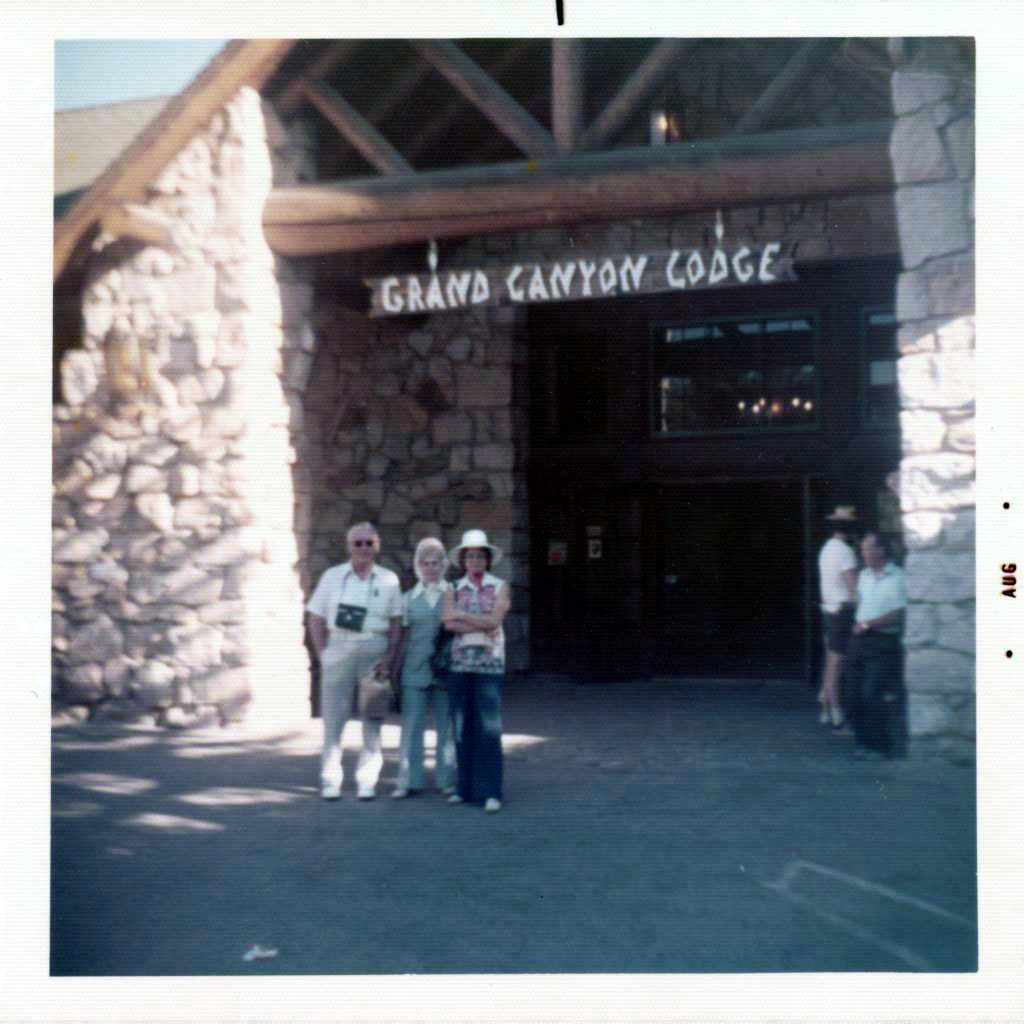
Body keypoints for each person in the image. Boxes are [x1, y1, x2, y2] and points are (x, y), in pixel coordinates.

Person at [305, 522, 403, 800]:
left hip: (375, 651)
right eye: (357, 543)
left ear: (377, 546)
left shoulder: (388, 580)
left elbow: (397, 622)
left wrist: (390, 658)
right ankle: (330, 780)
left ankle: (367, 780)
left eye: (368, 543)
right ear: (348, 546)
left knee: (372, 719)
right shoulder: (332, 577)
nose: (363, 548)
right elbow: (315, 616)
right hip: (340, 648)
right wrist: (323, 653)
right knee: (333, 720)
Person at [442, 529, 511, 813]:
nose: (475, 560)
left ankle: (491, 790)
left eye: (480, 556)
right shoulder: (452, 588)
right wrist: (477, 621)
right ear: (463, 560)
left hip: (489, 663)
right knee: (462, 725)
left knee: (488, 727)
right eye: (470, 556)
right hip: (460, 663)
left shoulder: (500, 586)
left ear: (488, 559)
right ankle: (465, 787)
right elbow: (448, 622)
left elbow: (495, 620)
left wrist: (463, 616)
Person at [391, 537, 457, 800]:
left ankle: (446, 781)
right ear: (418, 566)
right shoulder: (408, 599)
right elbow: (403, 637)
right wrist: (395, 669)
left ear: (444, 566)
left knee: (446, 727)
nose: (431, 568)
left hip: (446, 670)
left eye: (436, 563)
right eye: (426, 563)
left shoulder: (453, 594)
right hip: (415, 669)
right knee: (411, 725)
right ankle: (408, 780)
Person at [845, 532, 907, 760]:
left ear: (881, 551)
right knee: (852, 692)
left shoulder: (898, 578)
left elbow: (899, 613)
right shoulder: (864, 576)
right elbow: (861, 603)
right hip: (859, 640)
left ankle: (879, 746)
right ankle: (862, 743)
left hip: (882, 641)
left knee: (872, 692)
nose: (865, 554)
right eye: (862, 550)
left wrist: (869, 623)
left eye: (869, 549)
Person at [817, 506, 860, 728]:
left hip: (829, 609)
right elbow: (853, 586)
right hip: (842, 611)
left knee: (830, 659)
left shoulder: (826, 549)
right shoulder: (845, 552)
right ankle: (835, 710)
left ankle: (825, 705)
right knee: (836, 662)